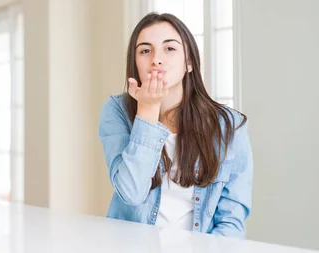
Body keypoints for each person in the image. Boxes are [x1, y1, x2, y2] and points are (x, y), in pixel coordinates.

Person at [98, 12, 253, 238]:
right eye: (145, 50)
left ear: (189, 62)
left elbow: (231, 222)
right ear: (135, 64)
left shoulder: (229, 125)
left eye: (169, 49)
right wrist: (148, 111)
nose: (156, 59)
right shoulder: (117, 111)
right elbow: (131, 192)